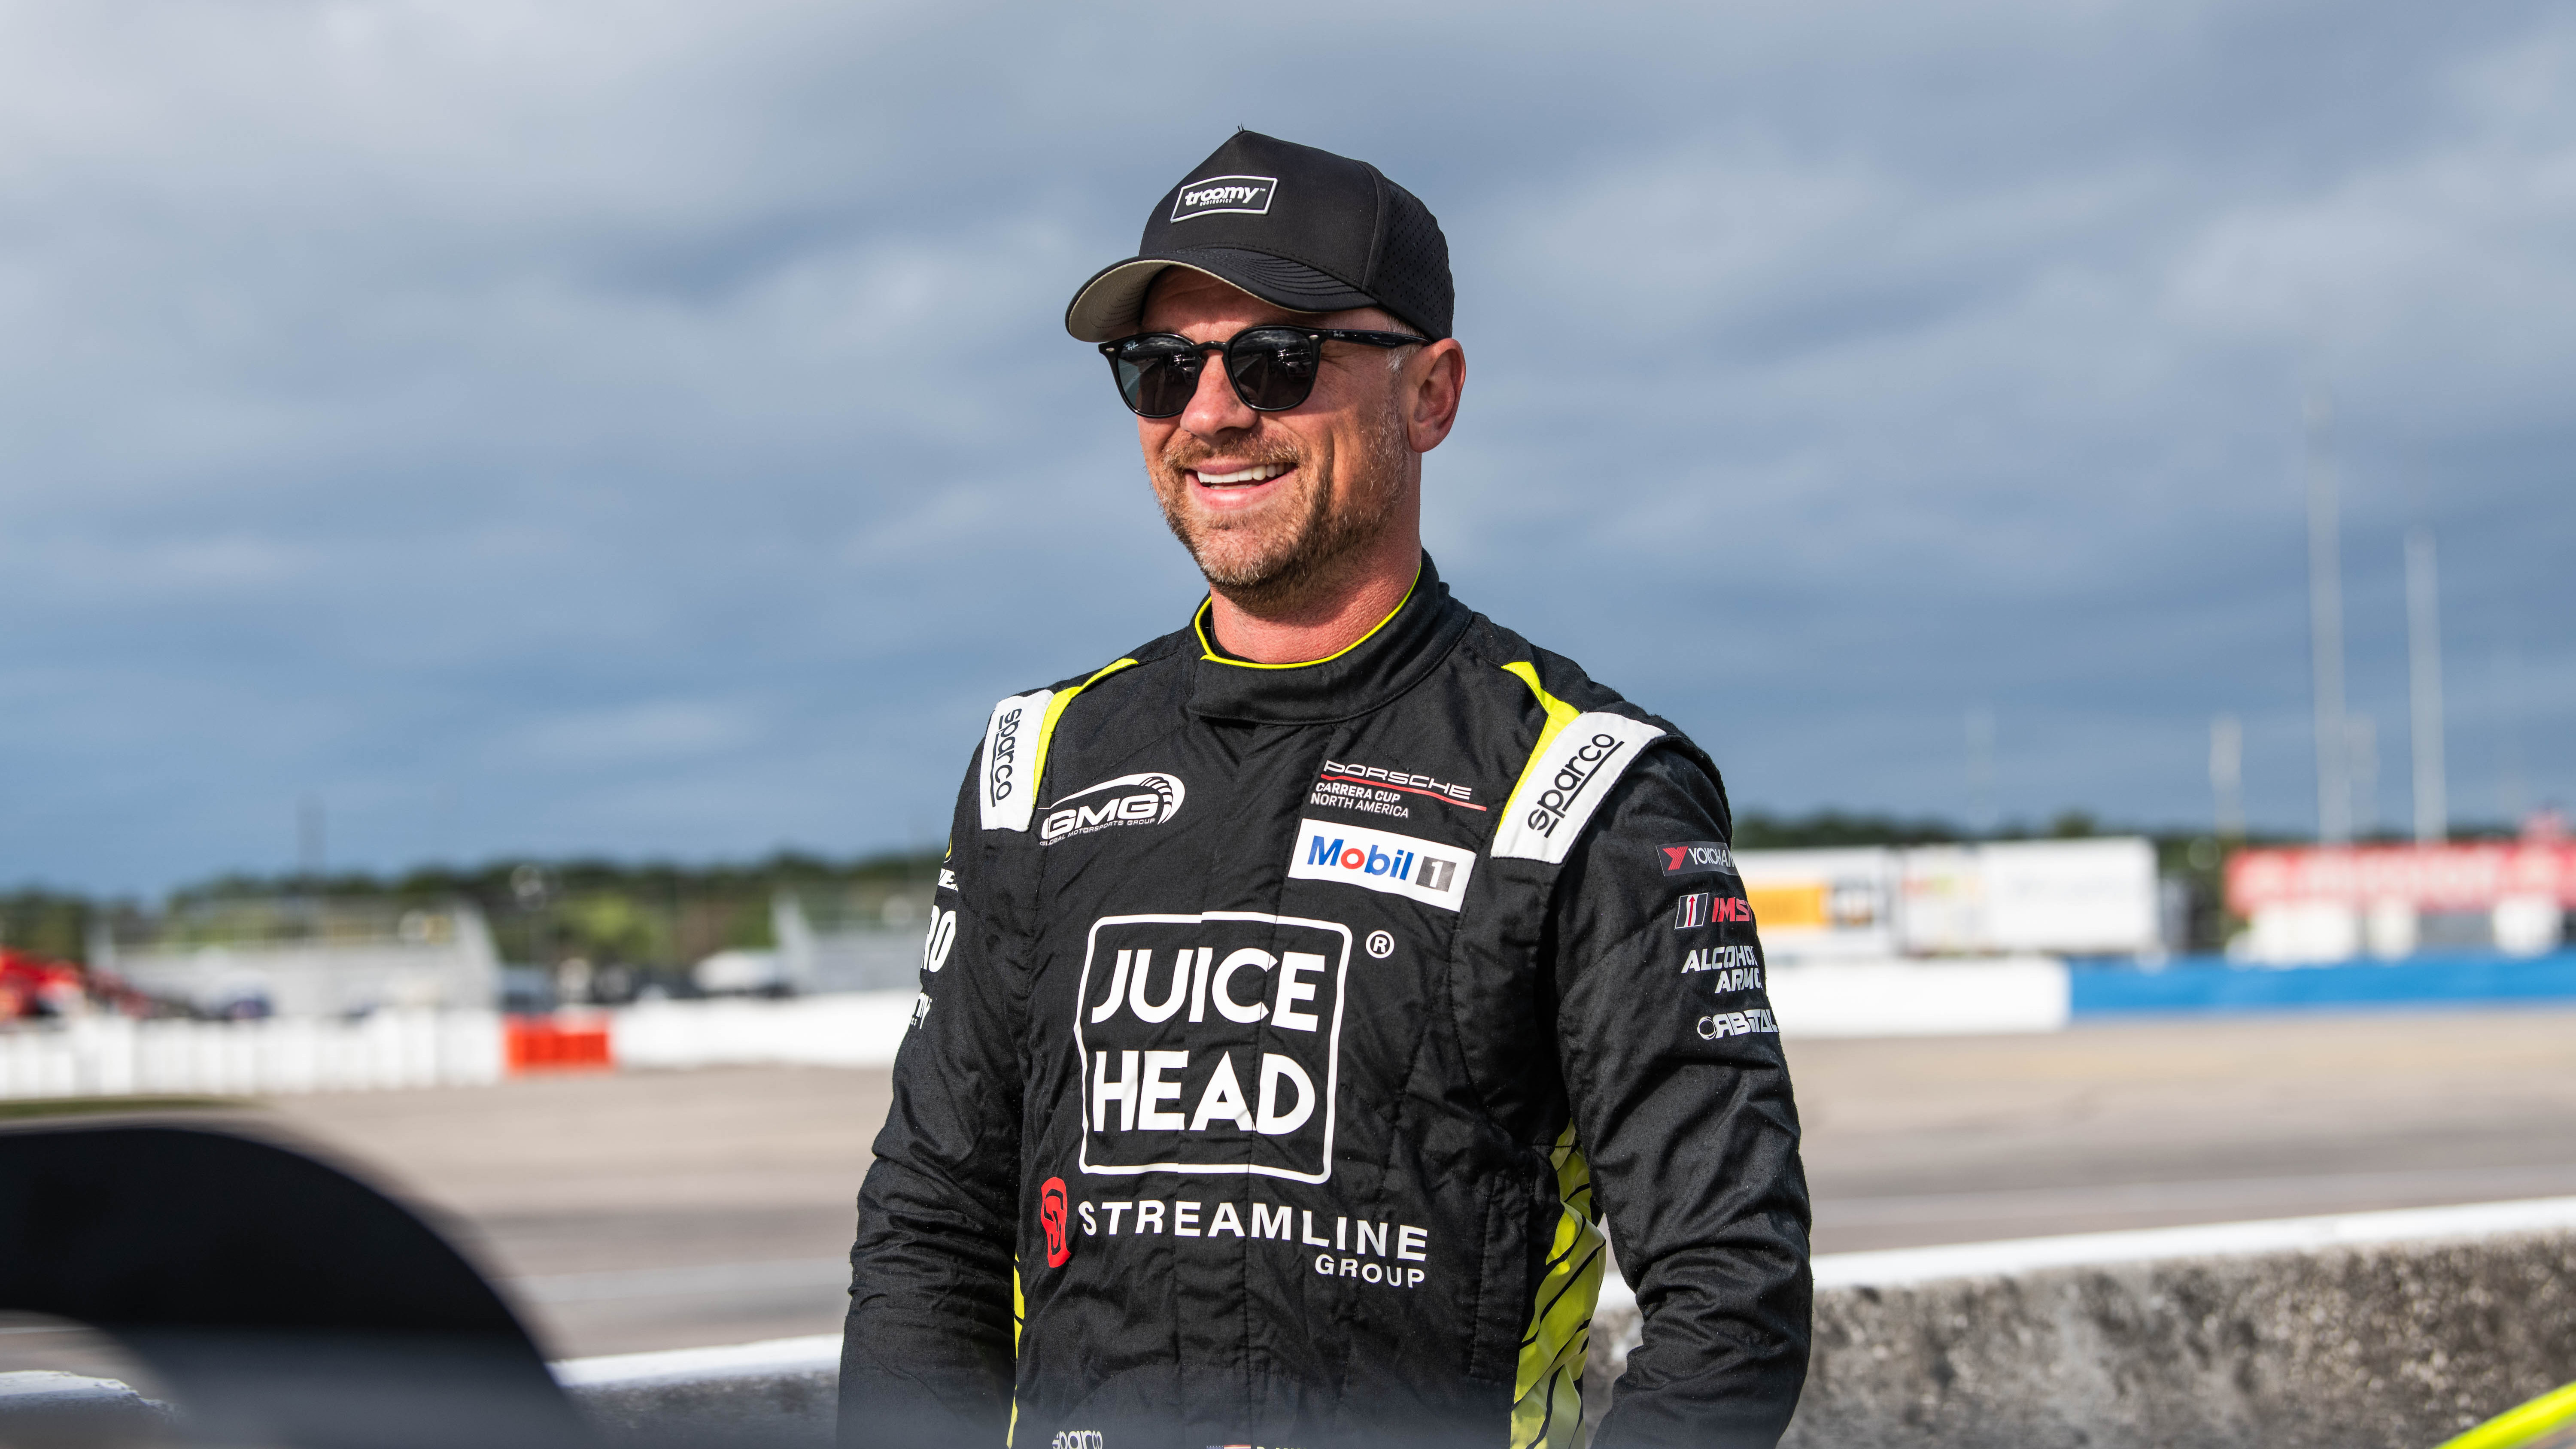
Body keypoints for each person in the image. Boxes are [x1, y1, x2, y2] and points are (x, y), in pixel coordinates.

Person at [841, 131, 1809, 1449]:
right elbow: (931, 1227)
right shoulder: (1041, 761)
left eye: (1279, 360)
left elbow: (1730, 1300)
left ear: (1432, 394)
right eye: (1160, 368)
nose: (1211, 413)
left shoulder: (1584, 783)